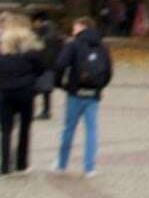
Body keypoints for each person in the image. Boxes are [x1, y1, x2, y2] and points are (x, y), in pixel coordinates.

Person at [52, 17, 112, 178]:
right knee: (92, 130)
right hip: (93, 93)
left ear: (82, 27)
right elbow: (108, 71)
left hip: (75, 92)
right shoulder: (102, 46)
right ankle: (89, 167)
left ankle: (62, 163)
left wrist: (61, 84)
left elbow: (60, 65)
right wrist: (99, 86)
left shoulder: (73, 44)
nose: (73, 29)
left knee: (69, 129)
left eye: (75, 26)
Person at [0, 13, 46, 176]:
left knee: (5, 130)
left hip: (5, 91)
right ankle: (21, 163)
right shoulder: (32, 53)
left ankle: (4, 165)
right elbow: (41, 69)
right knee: (24, 128)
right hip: (26, 92)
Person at [31, 11, 64, 120]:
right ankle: (46, 111)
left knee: (37, 89)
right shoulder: (54, 30)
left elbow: (40, 48)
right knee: (45, 90)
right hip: (51, 64)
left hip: (44, 64)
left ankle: (44, 111)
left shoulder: (44, 31)